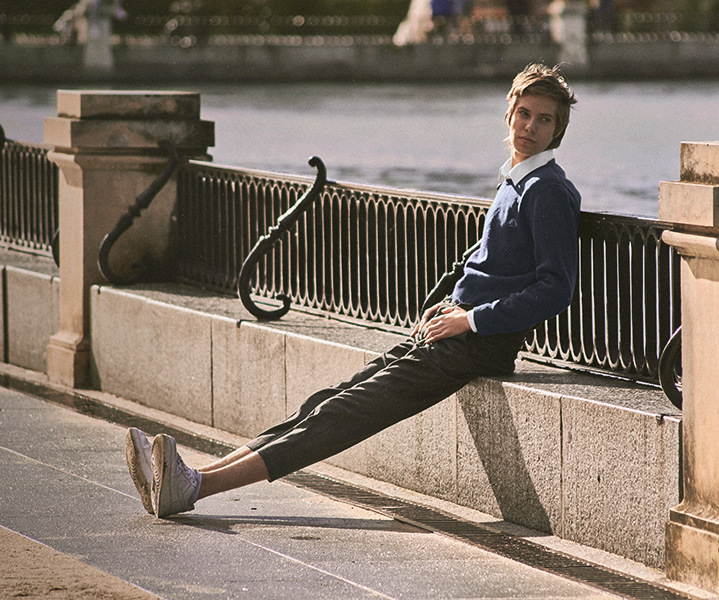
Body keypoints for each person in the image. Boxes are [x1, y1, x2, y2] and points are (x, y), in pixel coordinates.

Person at [126, 63, 581, 518]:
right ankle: (189, 478)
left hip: (477, 345)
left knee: (342, 415)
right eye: (524, 114)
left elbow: (556, 289)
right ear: (509, 115)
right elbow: (497, 266)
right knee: (326, 403)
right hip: (454, 331)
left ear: (557, 130)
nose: (530, 127)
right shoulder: (517, 179)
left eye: (544, 120)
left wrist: (470, 319)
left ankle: (193, 487)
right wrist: (451, 305)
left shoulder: (548, 191)